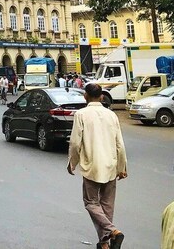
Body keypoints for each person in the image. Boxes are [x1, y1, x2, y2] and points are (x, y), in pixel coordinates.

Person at [68, 82, 128, 249]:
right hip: (111, 165)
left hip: (92, 167)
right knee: (107, 206)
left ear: (85, 96)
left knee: (91, 203)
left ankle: (112, 231)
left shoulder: (81, 114)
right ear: (102, 96)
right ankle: (104, 243)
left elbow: (74, 143)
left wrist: (72, 163)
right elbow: (120, 144)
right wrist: (122, 167)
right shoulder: (111, 115)